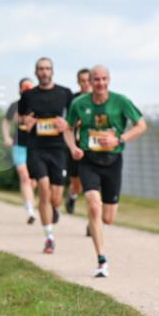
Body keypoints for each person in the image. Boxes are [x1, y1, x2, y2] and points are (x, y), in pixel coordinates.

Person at [64, 64, 147, 277]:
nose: (100, 83)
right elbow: (68, 128)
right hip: (88, 160)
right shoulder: (79, 103)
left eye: (104, 79)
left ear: (109, 80)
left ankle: (96, 224)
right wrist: (73, 148)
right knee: (93, 205)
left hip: (112, 161)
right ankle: (101, 260)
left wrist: (119, 139)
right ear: (90, 82)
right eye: (96, 79)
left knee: (108, 218)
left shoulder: (120, 101)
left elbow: (141, 125)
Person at [19, 57, 74, 254]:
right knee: (43, 187)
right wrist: (26, 123)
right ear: (36, 72)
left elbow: (75, 119)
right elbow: (21, 119)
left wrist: (67, 124)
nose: (44, 72)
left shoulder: (65, 93)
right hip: (37, 148)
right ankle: (49, 237)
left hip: (58, 149)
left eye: (47, 68)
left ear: (52, 71)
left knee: (55, 196)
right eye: (41, 69)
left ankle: (55, 209)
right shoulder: (28, 95)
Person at [1, 78, 37, 223]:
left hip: (35, 146)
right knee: (24, 175)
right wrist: (6, 137)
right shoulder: (14, 106)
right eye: (25, 87)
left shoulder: (39, 105)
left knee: (33, 181)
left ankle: (30, 201)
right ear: (20, 89)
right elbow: (6, 121)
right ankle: (30, 211)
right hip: (19, 144)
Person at [65, 67, 92, 217]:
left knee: (92, 185)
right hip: (75, 146)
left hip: (94, 147)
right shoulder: (73, 100)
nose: (86, 84)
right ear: (78, 82)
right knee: (77, 185)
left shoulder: (100, 98)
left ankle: (93, 218)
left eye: (88, 80)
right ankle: (72, 195)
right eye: (83, 81)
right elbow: (68, 123)